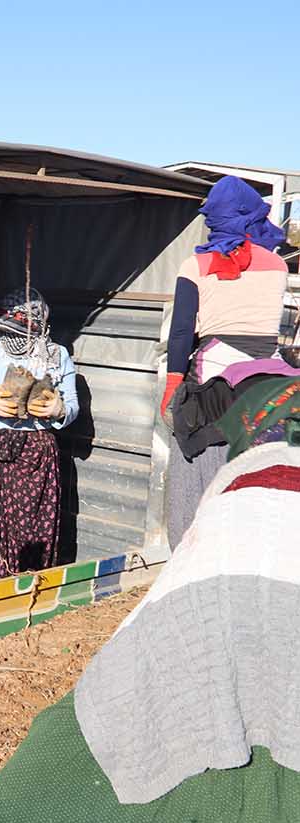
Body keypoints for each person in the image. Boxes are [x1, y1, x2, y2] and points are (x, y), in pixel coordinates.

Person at [161, 175, 288, 548]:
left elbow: (182, 334)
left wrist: (172, 388)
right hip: (267, 379)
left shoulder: (194, 266)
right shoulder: (277, 266)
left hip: (213, 381)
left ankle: (191, 551)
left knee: (197, 476)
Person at [0, 288, 80, 583]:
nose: (14, 339)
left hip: (37, 455)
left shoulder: (58, 357)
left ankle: (29, 588)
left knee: (34, 529)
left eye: (21, 332)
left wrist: (58, 408)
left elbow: (73, 407)